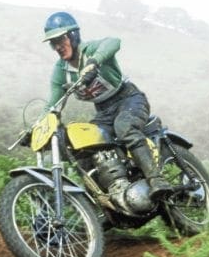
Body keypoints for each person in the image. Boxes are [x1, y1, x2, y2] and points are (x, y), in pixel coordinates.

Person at [41, 11, 171, 205]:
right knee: (84, 147)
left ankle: (156, 180)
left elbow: (114, 41)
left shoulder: (90, 50)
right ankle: (107, 204)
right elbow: (52, 103)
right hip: (104, 112)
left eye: (61, 39)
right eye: (53, 43)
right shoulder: (61, 71)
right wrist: (39, 126)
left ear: (73, 35)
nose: (58, 46)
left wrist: (94, 62)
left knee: (125, 127)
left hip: (129, 99)